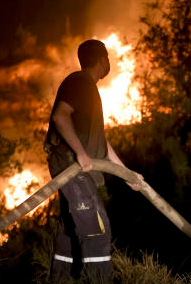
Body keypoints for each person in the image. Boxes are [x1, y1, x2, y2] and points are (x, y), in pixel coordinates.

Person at [44, 39, 143, 281]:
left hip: (76, 166)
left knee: (70, 228)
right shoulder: (79, 82)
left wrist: (127, 174)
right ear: (101, 60)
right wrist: (79, 153)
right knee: (97, 230)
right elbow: (60, 117)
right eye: (107, 58)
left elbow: (101, 142)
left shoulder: (88, 87)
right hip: (71, 166)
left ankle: (60, 279)